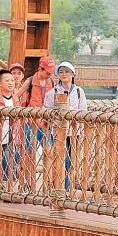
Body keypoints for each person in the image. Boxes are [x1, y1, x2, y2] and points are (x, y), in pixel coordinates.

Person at [43, 61, 88, 191]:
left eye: (67, 72)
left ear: (73, 74)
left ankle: (66, 187)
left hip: (74, 132)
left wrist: (74, 117)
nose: (64, 74)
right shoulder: (53, 92)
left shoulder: (79, 92)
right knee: (59, 159)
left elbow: (83, 110)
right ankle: (60, 187)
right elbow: (46, 110)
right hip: (57, 131)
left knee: (71, 160)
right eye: (61, 72)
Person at [16, 56, 57, 152]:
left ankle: (48, 167)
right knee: (28, 150)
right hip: (30, 120)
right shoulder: (29, 81)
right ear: (40, 69)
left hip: (44, 121)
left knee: (49, 149)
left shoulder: (51, 81)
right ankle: (24, 167)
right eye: (47, 72)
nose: (49, 75)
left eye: (51, 73)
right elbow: (16, 96)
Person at [0, 69, 22, 182]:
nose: (11, 83)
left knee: (11, 158)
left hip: (11, 135)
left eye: (12, 80)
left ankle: (6, 184)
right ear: (0, 83)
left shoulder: (15, 98)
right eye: (7, 81)